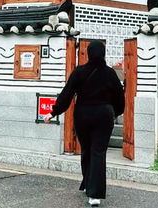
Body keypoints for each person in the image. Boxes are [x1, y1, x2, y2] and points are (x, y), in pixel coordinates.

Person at [44, 39, 125, 207]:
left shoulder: (79, 72)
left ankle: (89, 185)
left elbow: (66, 94)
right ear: (103, 54)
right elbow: (120, 98)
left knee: (86, 150)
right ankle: (93, 193)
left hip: (83, 115)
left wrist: (53, 112)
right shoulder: (110, 74)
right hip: (104, 115)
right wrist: (114, 112)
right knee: (98, 152)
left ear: (88, 54)